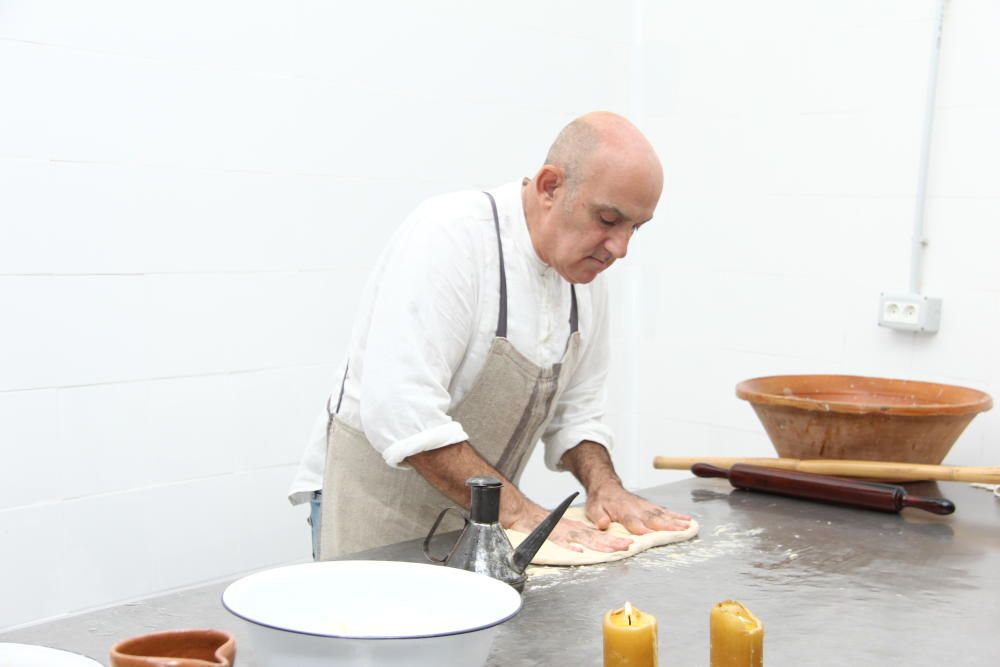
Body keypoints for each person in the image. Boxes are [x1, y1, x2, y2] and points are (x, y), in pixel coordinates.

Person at [289, 111, 691, 560]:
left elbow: (578, 412)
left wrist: (605, 486)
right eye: (608, 219)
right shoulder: (451, 238)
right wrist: (519, 512)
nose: (620, 248)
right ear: (549, 186)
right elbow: (402, 408)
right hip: (376, 520)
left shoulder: (584, 276)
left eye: (635, 227)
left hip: (478, 527)